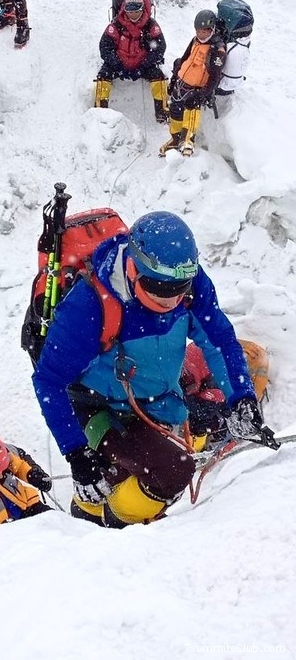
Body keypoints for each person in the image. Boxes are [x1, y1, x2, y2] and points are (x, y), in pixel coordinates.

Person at [32, 210, 276, 528]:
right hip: (95, 405)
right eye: (156, 288)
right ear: (133, 268)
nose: (170, 300)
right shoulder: (88, 305)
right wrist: (76, 453)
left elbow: (218, 340)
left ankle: (97, 503)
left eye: (178, 289)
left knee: (160, 450)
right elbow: (49, 382)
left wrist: (241, 397)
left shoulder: (188, 282)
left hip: (154, 391)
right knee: (172, 470)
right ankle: (111, 529)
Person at [159, 10, 226, 158]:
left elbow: (214, 77)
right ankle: (176, 139)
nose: (201, 34)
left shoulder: (217, 49)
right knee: (175, 111)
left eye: (204, 31)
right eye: (198, 31)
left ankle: (187, 141)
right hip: (181, 83)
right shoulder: (195, 40)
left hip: (196, 88)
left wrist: (201, 95)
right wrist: (174, 79)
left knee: (192, 109)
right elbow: (184, 59)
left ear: (212, 29)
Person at [182, 339, 269, 451]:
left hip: (207, 378)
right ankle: (198, 441)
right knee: (202, 413)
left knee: (204, 413)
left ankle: (198, 443)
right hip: (204, 376)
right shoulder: (225, 365)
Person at [94, 0, 169, 123]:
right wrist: (118, 65)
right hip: (118, 64)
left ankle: (162, 113)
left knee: (159, 77)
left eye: (136, 11)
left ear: (142, 9)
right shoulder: (116, 25)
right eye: (130, 12)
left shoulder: (151, 26)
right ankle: (100, 113)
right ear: (125, 10)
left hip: (143, 65)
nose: (133, 15)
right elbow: (105, 48)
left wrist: (143, 66)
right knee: (103, 76)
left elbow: (159, 48)